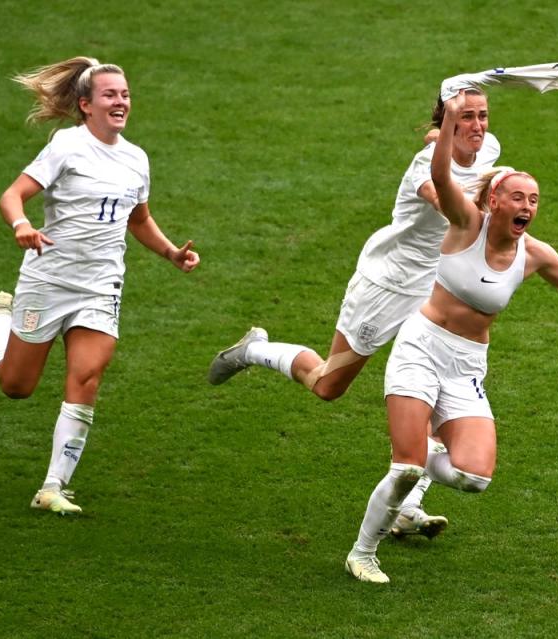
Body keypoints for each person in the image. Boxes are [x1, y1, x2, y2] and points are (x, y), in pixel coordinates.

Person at [343, 90, 558, 584]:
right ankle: (363, 552)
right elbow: (441, 178)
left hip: (466, 364)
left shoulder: (534, 253)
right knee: (405, 468)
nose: (528, 206)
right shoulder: (466, 225)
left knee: (474, 477)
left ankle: (424, 461)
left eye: (535, 199)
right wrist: (449, 129)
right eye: (519, 197)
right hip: (420, 347)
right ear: (494, 201)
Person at [208, 88, 500, 539]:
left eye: (483, 116)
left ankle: (407, 507)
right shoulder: (425, 169)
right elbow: (450, 202)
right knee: (329, 385)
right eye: (467, 118)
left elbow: (466, 156)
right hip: (387, 285)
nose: (479, 127)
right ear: (448, 124)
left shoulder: (488, 148)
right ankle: (255, 350)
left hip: (434, 292)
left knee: (436, 396)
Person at [0, 56, 200, 515]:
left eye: (125, 94)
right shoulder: (67, 146)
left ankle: (53, 486)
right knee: (16, 386)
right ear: (86, 105)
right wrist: (22, 226)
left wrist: (171, 253)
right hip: (48, 280)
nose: (121, 101)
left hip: (100, 286)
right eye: (111, 95)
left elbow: (138, 218)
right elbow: (12, 195)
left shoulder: (136, 158)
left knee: (87, 375)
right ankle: (1, 316)